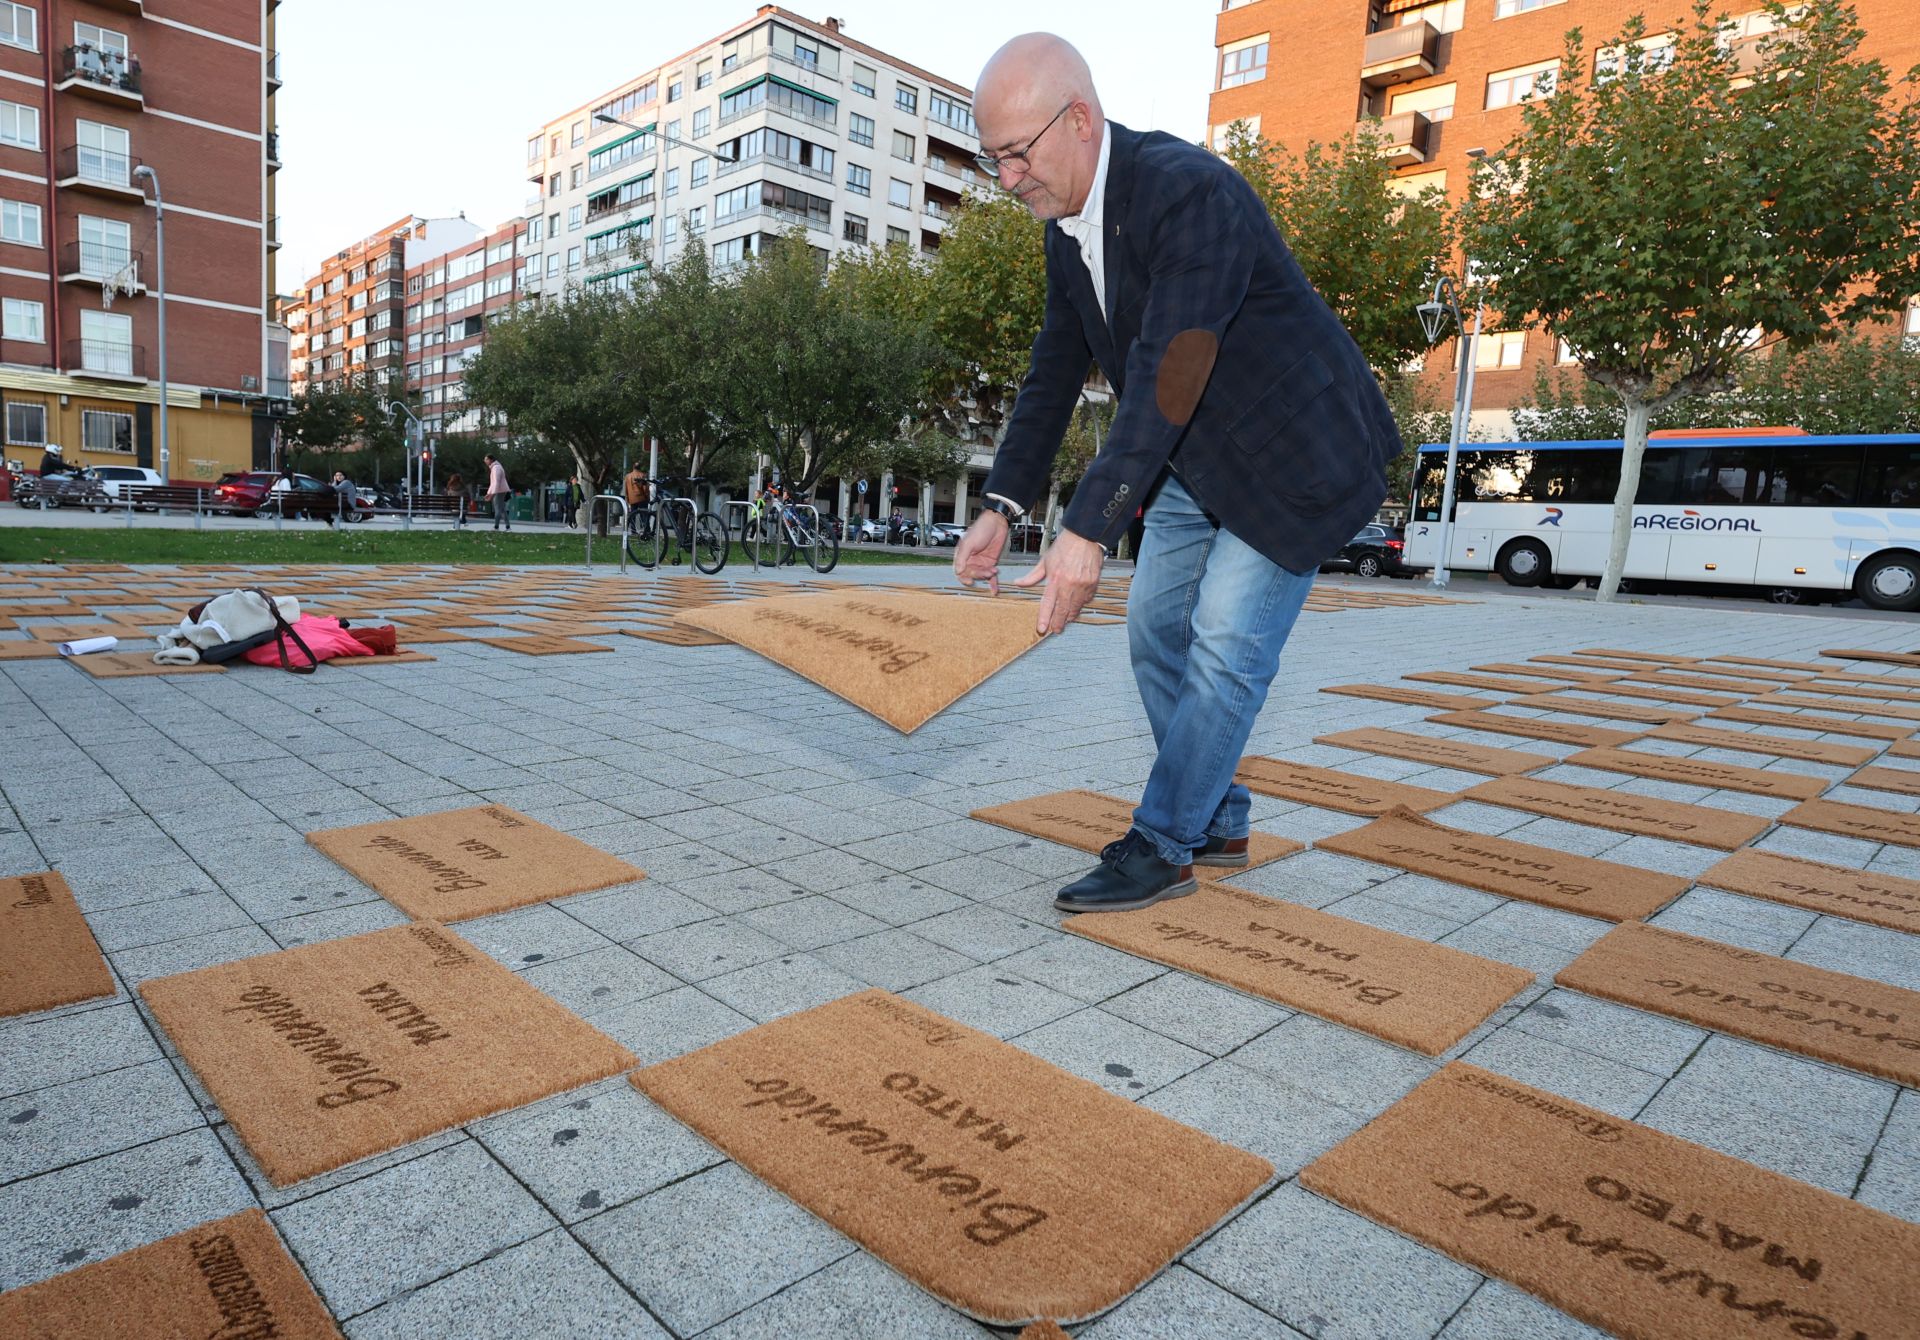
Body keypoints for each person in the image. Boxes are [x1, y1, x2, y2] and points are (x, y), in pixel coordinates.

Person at [952, 34, 1399, 913]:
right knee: (1155, 634)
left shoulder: (1189, 191)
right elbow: (1054, 367)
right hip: (1196, 457)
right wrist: (1003, 503)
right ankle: (1219, 814)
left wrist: (1089, 527)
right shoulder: (1067, 229)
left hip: (1295, 453)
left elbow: (1174, 364)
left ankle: (1163, 842)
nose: (1006, 179)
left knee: (1228, 643)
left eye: (1015, 154)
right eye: (991, 159)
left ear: (1077, 120)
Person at [483, 453, 511, 530]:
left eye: (486, 459)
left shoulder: (496, 468)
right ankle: (507, 526)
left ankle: (496, 526)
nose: (485, 461)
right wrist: (489, 493)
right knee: (502, 508)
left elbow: (496, 483)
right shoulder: (495, 467)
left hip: (499, 491)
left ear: (491, 460)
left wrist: (491, 494)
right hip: (499, 490)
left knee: (498, 508)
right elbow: (494, 483)